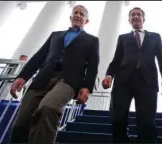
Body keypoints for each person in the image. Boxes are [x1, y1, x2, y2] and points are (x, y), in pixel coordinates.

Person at [9, 5, 99, 144]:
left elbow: (93, 66)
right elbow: (39, 57)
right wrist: (22, 76)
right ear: (70, 17)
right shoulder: (55, 35)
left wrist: (87, 87)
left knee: (48, 108)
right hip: (43, 78)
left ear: (86, 21)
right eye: (75, 12)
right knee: (21, 123)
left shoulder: (92, 40)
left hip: (68, 81)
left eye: (82, 14)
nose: (78, 15)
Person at [102, 7, 162, 143]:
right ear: (129, 20)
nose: (136, 16)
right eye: (132, 15)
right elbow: (116, 60)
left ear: (143, 19)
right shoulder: (123, 38)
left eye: (139, 14)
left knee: (147, 121)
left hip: (147, 82)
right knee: (118, 118)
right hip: (123, 82)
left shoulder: (155, 37)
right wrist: (109, 75)